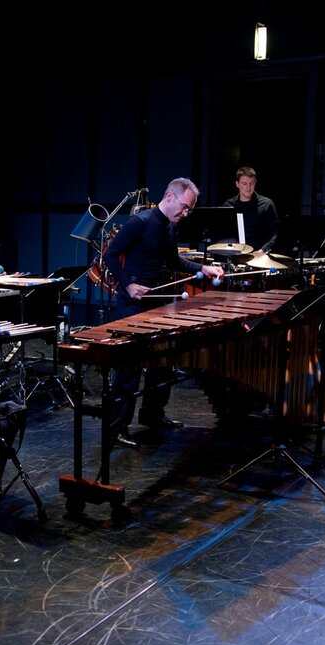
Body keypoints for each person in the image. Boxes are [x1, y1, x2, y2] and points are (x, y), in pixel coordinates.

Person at [102, 178, 224, 448]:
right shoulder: (139, 222)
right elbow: (110, 255)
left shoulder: (170, 226)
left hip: (157, 299)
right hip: (133, 302)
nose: (186, 213)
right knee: (129, 369)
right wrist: (127, 284)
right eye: (185, 207)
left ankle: (152, 414)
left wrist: (203, 269)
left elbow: (174, 261)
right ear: (170, 197)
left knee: (162, 362)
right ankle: (116, 428)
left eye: (190, 209)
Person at [222, 166, 280, 251]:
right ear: (237, 184)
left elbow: (274, 232)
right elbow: (224, 234)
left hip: (259, 254)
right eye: (244, 184)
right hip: (235, 254)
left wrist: (263, 250)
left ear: (255, 182)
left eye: (251, 183)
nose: (248, 188)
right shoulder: (228, 205)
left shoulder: (267, 204)